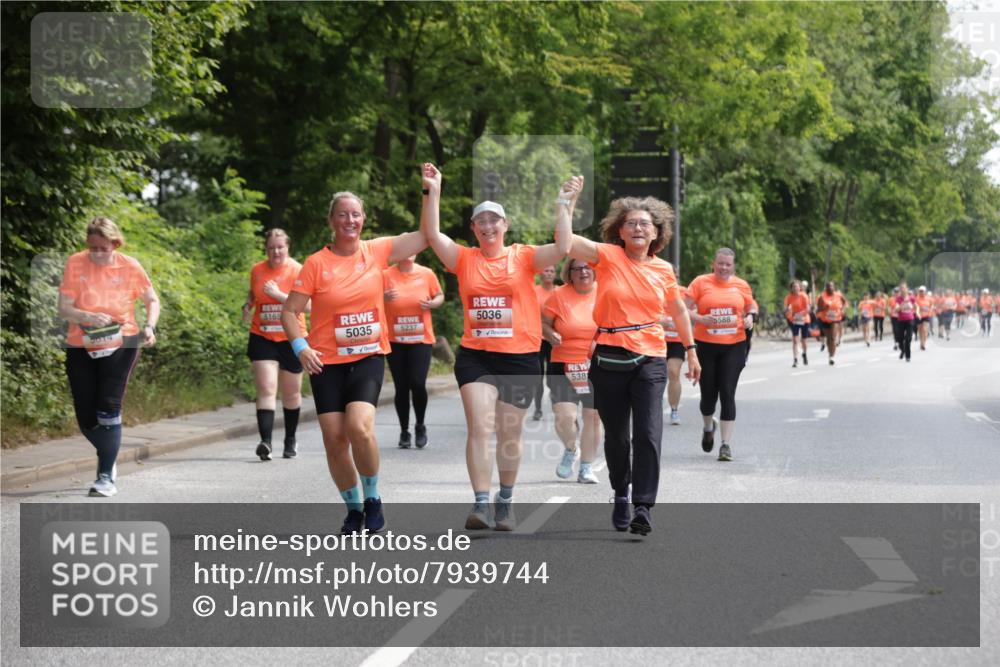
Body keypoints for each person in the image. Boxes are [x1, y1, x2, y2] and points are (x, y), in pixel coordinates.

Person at [281, 165, 434, 535]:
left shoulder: (378, 251)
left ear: (363, 219)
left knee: (359, 428)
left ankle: (373, 498)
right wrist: (300, 347)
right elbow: (289, 311)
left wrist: (431, 191)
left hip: (367, 356)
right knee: (334, 439)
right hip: (325, 363)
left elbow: (427, 236)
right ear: (332, 221)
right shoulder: (317, 264)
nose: (350, 219)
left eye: (356, 214)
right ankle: (352, 508)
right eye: (343, 214)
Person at [422, 177, 575, 532]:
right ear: (474, 228)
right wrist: (433, 189)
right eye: (481, 221)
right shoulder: (463, 259)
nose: (488, 226)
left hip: (520, 357)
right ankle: (480, 503)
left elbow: (563, 246)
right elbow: (431, 234)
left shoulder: (522, 257)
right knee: (480, 427)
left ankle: (504, 501)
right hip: (477, 356)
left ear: (505, 226)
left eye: (495, 220)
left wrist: (563, 202)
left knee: (509, 434)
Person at [565, 187, 700, 536]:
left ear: (656, 232)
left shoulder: (664, 270)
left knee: (648, 433)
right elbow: (565, 241)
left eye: (645, 224)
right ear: (619, 231)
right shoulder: (607, 256)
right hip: (608, 355)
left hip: (650, 357)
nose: (638, 228)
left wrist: (691, 349)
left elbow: (678, 310)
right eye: (631, 224)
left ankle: (643, 505)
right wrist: (568, 203)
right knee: (617, 438)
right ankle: (620, 493)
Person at [58, 217, 160, 497]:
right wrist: (86, 315)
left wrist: (149, 326)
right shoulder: (75, 263)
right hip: (81, 343)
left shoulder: (130, 266)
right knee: (86, 417)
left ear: (116, 243)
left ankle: (105, 476)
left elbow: (152, 300)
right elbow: (64, 307)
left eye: (104, 248)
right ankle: (110, 454)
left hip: (122, 339)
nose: (98, 254)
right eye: (93, 248)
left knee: (108, 407)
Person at [685, 248, 756, 464]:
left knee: (727, 392)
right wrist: (699, 318)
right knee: (708, 397)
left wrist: (751, 316)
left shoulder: (741, 285)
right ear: (713, 264)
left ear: (733, 266)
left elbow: (751, 304)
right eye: (720, 264)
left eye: (728, 264)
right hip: (706, 345)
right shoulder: (700, 283)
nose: (724, 267)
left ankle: (725, 445)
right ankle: (708, 426)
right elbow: (682, 309)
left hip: (734, 345)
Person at [243, 229, 306, 461]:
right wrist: (248, 305)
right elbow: (254, 293)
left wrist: (279, 295)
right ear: (266, 249)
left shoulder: (298, 270)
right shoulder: (258, 269)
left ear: (287, 247)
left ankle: (290, 439)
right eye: (271, 248)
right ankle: (266, 442)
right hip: (263, 335)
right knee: (266, 388)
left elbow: (308, 307)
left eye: (280, 247)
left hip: (292, 337)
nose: (276, 251)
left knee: (291, 393)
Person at [542, 257, 602, 484]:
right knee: (564, 417)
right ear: (570, 272)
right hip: (563, 363)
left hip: (596, 365)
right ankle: (571, 449)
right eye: (578, 269)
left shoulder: (604, 292)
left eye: (588, 268)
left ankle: (586, 467)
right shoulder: (559, 295)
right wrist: (549, 333)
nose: (584, 272)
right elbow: (543, 322)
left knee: (593, 417)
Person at [383, 255, 444, 449]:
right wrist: (382, 297)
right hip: (395, 339)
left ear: (416, 253)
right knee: (401, 386)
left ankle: (420, 425)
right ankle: (404, 431)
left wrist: (434, 303)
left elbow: (439, 295)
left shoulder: (426, 273)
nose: (408, 253)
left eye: (412, 249)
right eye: (404, 250)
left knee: (417, 383)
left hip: (421, 338)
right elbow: (369, 298)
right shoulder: (385, 275)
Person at [531, 265, 558, 421]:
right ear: (540, 273)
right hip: (537, 338)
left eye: (551, 271)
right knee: (538, 376)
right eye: (546, 270)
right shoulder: (534, 291)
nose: (548, 273)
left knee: (553, 376)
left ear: (555, 275)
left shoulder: (559, 291)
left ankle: (556, 405)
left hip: (554, 339)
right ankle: (538, 409)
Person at [816, 281, 846, 365]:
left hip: (836, 318)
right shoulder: (822, 296)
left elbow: (844, 302)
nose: (830, 288)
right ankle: (830, 354)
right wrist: (824, 308)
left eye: (832, 286)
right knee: (828, 338)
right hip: (825, 319)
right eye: (828, 287)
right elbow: (819, 309)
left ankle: (832, 356)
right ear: (826, 288)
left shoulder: (839, 295)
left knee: (832, 337)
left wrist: (842, 309)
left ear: (834, 287)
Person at [783, 279, 811, 367]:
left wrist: (801, 314)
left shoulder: (804, 296)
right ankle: (795, 359)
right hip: (795, 320)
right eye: (793, 287)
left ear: (800, 287)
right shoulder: (789, 297)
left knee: (804, 340)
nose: (795, 288)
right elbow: (786, 308)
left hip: (804, 319)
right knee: (795, 340)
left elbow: (808, 308)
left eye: (797, 287)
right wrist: (787, 312)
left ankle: (804, 354)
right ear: (791, 288)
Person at [892, 283, 917, 362]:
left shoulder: (912, 298)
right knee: (900, 338)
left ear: (907, 289)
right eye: (901, 288)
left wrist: (916, 310)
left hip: (910, 320)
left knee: (908, 339)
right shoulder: (898, 299)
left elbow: (915, 306)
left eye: (904, 288)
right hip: (901, 320)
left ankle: (908, 356)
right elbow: (896, 310)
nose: (903, 290)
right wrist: (903, 303)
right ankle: (903, 350)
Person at [915, 286, 934, 351]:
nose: (921, 292)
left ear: (925, 291)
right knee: (920, 331)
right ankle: (921, 342)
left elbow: (932, 306)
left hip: (926, 316)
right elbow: (915, 307)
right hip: (919, 316)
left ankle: (923, 344)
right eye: (920, 291)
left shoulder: (929, 298)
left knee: (925, 330)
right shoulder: (916, 298)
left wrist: (930, 310)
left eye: (922, 291)